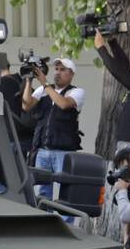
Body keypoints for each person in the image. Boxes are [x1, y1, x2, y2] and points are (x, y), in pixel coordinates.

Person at [25, 58, 85, 219]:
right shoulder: (44, 90)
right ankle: (44, 223)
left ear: (71, 74)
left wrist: (45, 83)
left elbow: (63, 104)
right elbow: (26, 105)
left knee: (67, 191)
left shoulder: (76, 91)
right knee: (42, 192)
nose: (57, 73)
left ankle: (68, 226)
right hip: (42, 149)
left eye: (62, 70)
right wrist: (28, 81)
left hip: (64, 151)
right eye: (56, 69)